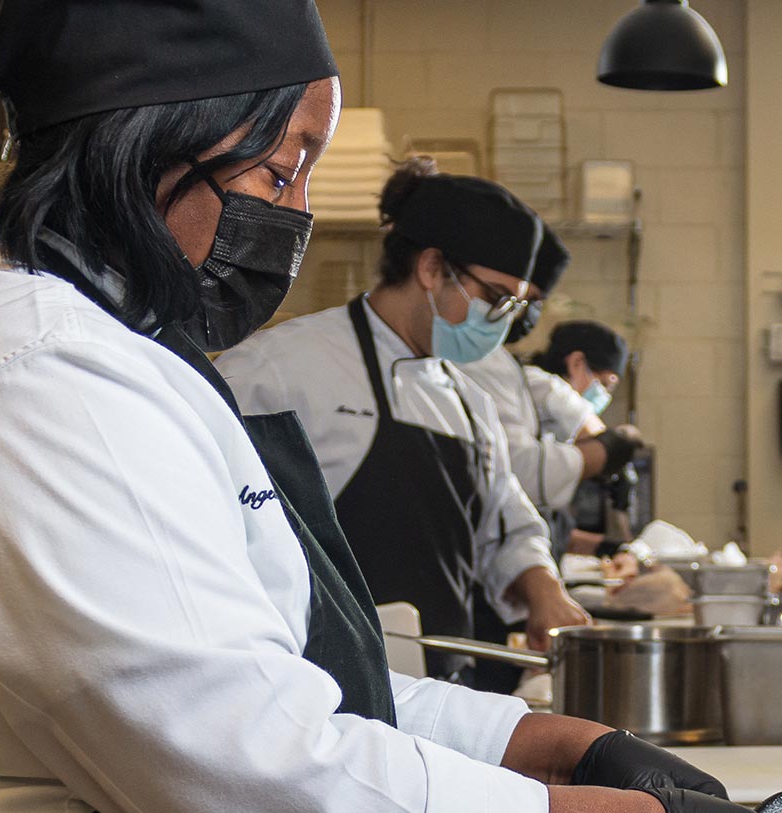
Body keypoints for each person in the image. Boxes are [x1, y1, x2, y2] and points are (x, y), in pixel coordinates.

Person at [0, 2, 782, 813]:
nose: (293, 218)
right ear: (154, 135)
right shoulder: (39, 382)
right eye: (281, 171)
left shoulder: (125, 353)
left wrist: (557, 747)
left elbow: (300, 677)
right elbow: (268, 779)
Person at [217, 160, 592, 688]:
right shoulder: (277, 371)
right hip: (319, 689)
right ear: (433, 269)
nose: (505, 322)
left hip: (440, 691)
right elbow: (221, 533)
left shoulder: (469, 402)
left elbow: (505, 525)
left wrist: (543, 589)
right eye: (497, 298)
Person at [478, 318, 641, 557]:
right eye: (605, 383)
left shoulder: (540, 400)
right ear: (576, 363)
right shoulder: (541, 383)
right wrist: (618, 446)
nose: (604, 395)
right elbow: (594, 429)